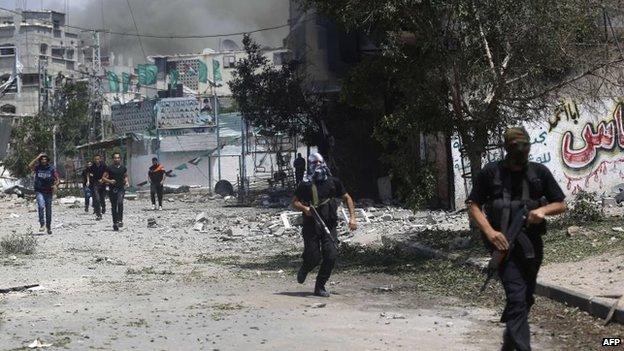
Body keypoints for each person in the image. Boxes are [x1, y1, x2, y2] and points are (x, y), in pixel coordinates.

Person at [467, 127, 567, 351]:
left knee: (526, 297)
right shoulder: (491, 173)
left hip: (532, 246)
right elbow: (473, 205)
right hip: (502, 247)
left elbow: (561, 203)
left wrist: (543, 211)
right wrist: (490, 233)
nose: (520, 153)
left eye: (525, 148)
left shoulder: (538, 173)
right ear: (507, 149)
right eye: (516, 149)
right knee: (516, 298)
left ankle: (509, 342)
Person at [292, 152, 357, 297]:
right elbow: (295, 202)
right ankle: (305, 267)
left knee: (331, 255)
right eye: (316, 164)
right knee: (314, 257)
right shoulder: (306, 184)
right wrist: (305, 209)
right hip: (311, 225)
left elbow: (347, 198)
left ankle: (319, 286)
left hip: (329, 224)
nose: (319, 167)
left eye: (321, 163)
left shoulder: (333, 182)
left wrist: (352, 218)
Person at [28, 153, 59, 234]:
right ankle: (42, 224)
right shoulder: (37, 168)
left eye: (45, 159)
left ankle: (48, 227)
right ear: (40, 160)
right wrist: (37, 157)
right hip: (39, 190)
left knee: (48, 210)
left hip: (49, 191)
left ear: (47, 160)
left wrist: (55, 185)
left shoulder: (51, 168)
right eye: (42, 159)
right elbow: (29, 166)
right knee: (41, 206)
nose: (44, 161)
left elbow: (57, 179)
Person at [102, 152, 129, 231]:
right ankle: (115, 222)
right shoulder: (109, 168)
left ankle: (120, 220)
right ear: (113, 159)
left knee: (120, 202)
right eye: (115, 158)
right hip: (112, 189)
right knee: (114, 206)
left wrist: (127, 181)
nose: (116, 159)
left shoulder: (123, 168)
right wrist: (110, 181)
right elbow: (103, 178)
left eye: (118, 158)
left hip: (121, 188)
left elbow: (125, 176)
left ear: (120, 159)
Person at [88, 155, 107, 220]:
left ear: (100, 159)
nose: (97, 160)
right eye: (95, 159)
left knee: (102, 198)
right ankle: (98, 214)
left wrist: (103, 179)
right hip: (95, 184)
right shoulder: (92, 167)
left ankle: (103, 207)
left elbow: (107, 173)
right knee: (97, 199)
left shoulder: (104, 166)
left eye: (98, 159)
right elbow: (90, 174)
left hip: (102, 183)